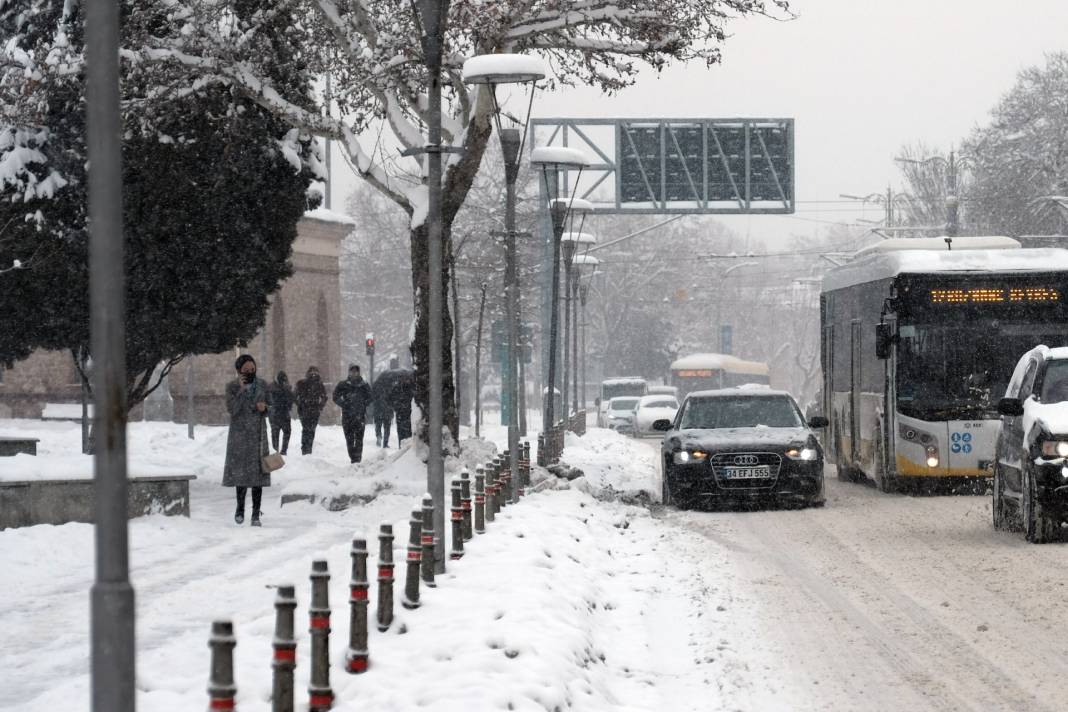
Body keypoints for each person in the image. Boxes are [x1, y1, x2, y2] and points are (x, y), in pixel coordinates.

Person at [224, 354, 270, 526]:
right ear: (238, 371)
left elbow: (271, 408)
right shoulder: (232, 387)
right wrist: (242, 391)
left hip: (258, 435)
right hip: (240, 436)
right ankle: (240, 508)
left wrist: (265, 408)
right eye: (246, 370)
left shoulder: (263, 385)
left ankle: (256, 514)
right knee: (241, 475)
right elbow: (232, 409)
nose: (250, 373)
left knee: (258, 476)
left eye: (253, 369)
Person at [333, 364, 373, 463]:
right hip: (347, 417)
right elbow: (335, 396)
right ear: (349, 372)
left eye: (356, 371)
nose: (354, 373)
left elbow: (371, 397)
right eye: (352, 371)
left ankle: (358, 459)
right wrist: (344, 404)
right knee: (349, 440)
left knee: (359, 439)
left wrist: (363, 404)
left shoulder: (364, 385)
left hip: (360, 416)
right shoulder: (343, 384)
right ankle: (353, 458)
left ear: (359, 372)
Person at [295, 366, 328, 455]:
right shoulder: (302, 383)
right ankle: (305, 449)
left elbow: (324, 397)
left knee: (310, 430)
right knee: (307, 429)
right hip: (305, 410)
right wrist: (300, 404)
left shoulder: (319, 385)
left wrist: (320, 407)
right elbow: (294, 395)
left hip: (313, 411)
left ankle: (307, 449)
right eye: (311, 372)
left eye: (315, 372)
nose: (313, 374)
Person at [388, 361, 415, 445]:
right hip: (401, 414)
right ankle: (402, 447)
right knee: (401, 433)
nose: (405, 380)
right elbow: (390, 398)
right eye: (403, 378)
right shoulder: (396, 388)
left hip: (409, 414)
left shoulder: (412, 387)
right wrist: (396, 406)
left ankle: (406, 449)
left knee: (409, 434)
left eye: (406, 378)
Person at [267, 370, 294, 454]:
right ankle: (283, 451)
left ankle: (276, 450)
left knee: (275, 433)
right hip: (282, 413)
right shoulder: (286, 388)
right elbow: (291, 399)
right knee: (286, 432)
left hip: (275, 414)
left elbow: (269, 400)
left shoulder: (271, 387)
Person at [372, 367, 394, 448]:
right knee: (387, 427)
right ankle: (385, 443)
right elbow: (393, 398)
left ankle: (378, 436)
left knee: (378, 425)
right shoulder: (390, 385)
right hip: (387, 409)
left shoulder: (375, 384)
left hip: (378, 409)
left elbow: (372, 396)